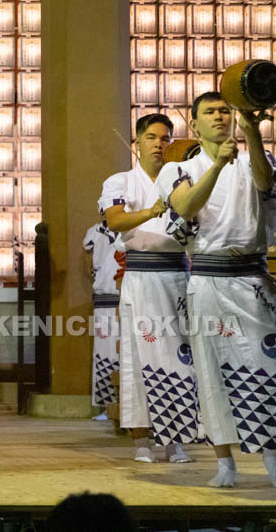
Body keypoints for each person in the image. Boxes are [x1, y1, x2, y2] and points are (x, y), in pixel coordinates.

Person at [158, 91, 276, 488]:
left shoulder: (257, 158)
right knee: (212, 372)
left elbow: (264, 182)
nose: (219, 117)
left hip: (252, 279)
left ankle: (274, 464)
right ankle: (225, 465)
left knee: (271, 369)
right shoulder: (178, 170)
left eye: (225, 110)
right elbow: (185, 207)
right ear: (193, 123)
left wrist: (251, 131)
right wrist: (216, 165)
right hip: (207, 281)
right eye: (209, 112)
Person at [100, 114, 198, 463]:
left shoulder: (184, 179)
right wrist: (153, 210)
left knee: (180, 359)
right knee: (138, 358)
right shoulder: (120, 181)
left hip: (177, 275)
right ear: (136, 143)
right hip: (140, 276)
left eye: (166, 138)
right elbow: (115, 220)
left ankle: (176, 441)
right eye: (152, 137)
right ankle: (142, 440)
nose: (160, 144)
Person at [82, 220, 120, 420]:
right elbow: (87, 248)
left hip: (125, 294)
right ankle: (107, 406)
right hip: (104, 297)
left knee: (125, 353)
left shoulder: (130, 227)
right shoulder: (95, 231)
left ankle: (128, 408)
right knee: (104, 352)